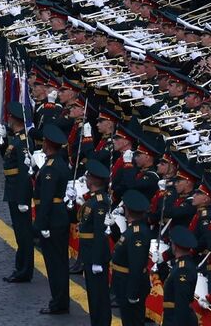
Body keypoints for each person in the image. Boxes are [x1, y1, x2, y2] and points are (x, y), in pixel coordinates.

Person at [34, 120, 73, 315]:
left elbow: (47, 198)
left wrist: (40, 224)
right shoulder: (57, 162)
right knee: (59, 261)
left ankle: (59, 302)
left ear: (47, 144)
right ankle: (60, 300)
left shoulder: (51, 167)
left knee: (55, 262)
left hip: (53, 218)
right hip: (58, 216)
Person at [0, 102, 34, 283]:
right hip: (12, 188)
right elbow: (7, 160)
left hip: (19, 191)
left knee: (23, 233)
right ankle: (20, 267)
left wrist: (22, 197)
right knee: (19, 232)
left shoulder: (23, 142)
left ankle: (25, 269)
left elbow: (24, 172)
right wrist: (2, 142)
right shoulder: (16, 138)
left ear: (15, 119)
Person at [76, 156, 111, 326]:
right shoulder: (92, 199)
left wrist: (97, 260)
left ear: (95, 180)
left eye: (89, 176)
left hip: (94, 252)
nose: (87, 179)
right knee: (92, 293)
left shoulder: (100, 202)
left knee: (99, 294)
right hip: (88, 250)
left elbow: (98, 232)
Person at [110, 188, 152, 326]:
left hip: (129, 282)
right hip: (124, 281)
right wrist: (114, 228)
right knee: (128, 319)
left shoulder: (137, 232)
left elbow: (136, 264)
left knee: (132, 320)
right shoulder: (133, 228)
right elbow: (123, 244)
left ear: (127, 210)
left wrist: (132, 292)